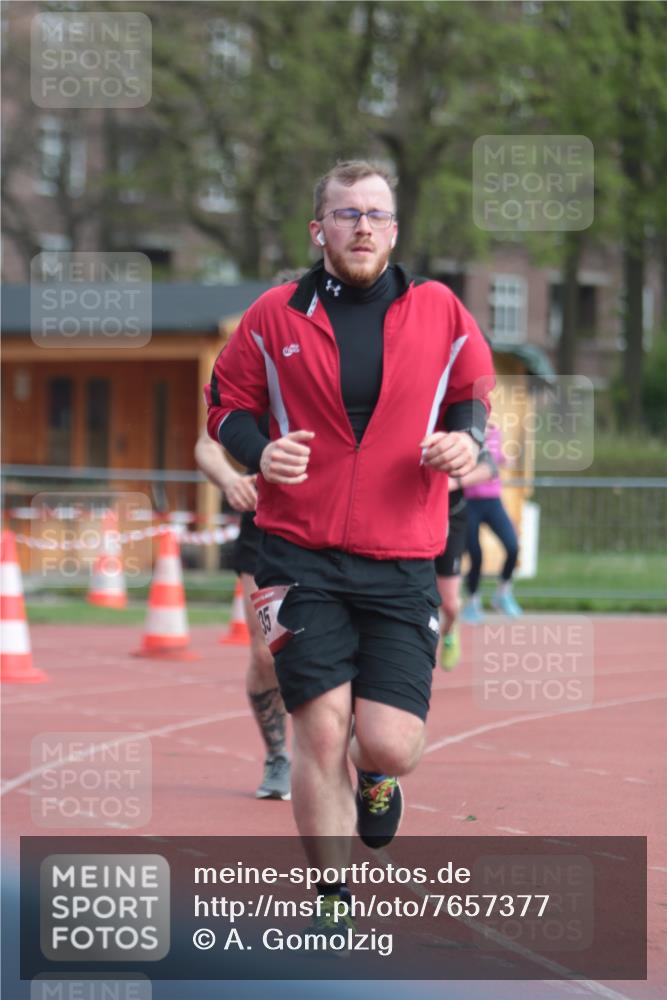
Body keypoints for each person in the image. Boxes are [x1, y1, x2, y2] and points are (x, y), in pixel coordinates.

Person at [205, 159, 494, 928]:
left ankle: (377, 780)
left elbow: (472, 398)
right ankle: (331, 898)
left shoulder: (439, 309)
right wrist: (259, 449)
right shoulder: (275, 314)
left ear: (393, 230)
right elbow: (223, 403)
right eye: (345, 214)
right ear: (318, 229)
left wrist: (464, 446)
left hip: (401, 555)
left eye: (374, 214)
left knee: (389, 743)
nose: (360, 226)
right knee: (319, 724)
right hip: (297, 553)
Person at [194, 425, 291, 800]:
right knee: (268, 651)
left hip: (342, 527)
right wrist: (230, 480)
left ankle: (359, 760)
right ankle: (279, 756)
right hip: (267, 525)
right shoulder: (256, 368)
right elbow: (206, 445)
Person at [435, 451, 496, 670]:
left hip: (451, 518)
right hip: (410, 516)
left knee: (449, 604)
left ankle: (450, 631)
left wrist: (453, 482)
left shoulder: (459, 426)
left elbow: (490, 468)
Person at [461, 421, 523, 622]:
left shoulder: (496, 431)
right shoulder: (463, 431)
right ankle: (472, 602)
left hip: (493, 500)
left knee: (513, 546)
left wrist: (506, 459)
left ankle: (503, 593)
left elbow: (495, 458)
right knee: (475, 554)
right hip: (469, 502)